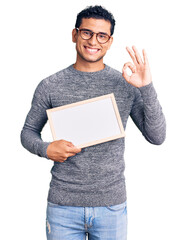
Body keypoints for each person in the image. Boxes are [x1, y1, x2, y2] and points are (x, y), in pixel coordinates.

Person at [20, 5, 166, 240]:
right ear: (74, 34)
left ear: (109, 41)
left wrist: (146, 87)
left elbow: (157, 137)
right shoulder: (50, 85)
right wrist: (45, 149)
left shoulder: (125, 83)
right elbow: (27, 133)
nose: (93, 41)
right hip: (63, 206)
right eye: (87, 32)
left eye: (102, 36)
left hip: (111, 206)